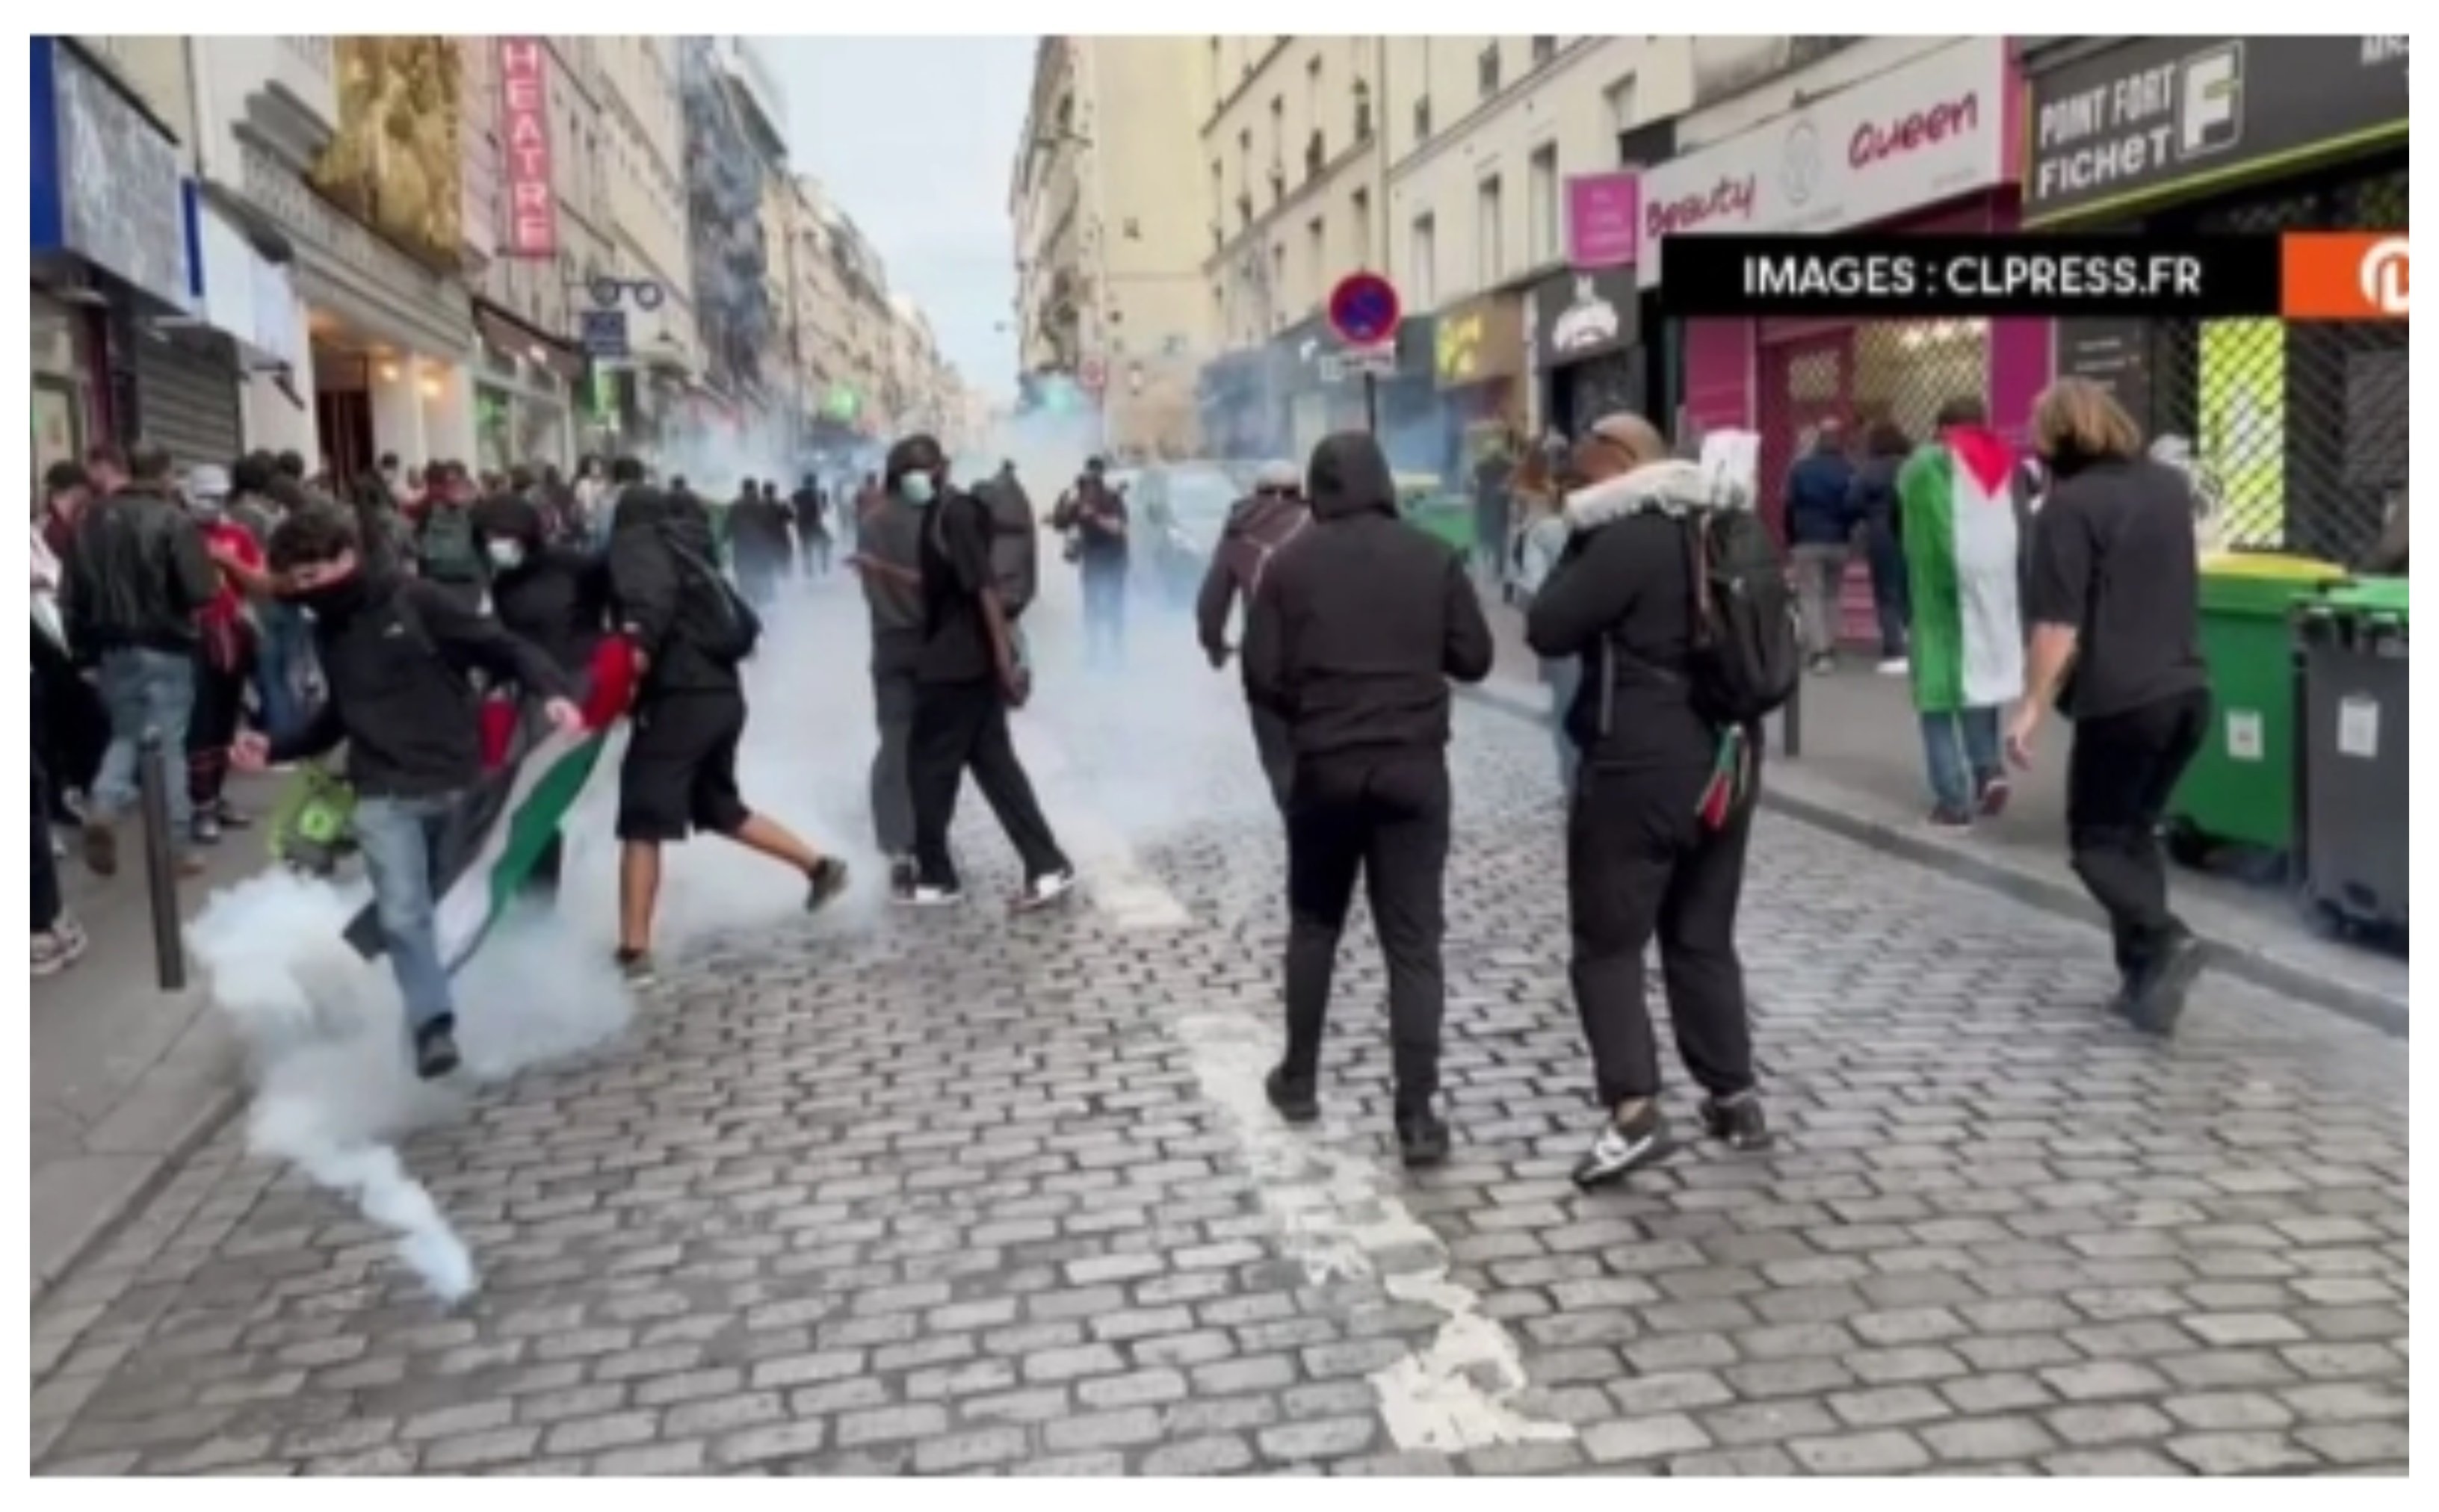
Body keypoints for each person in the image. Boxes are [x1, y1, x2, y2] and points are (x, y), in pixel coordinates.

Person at [235, 506, 583, 1078]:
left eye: (313, 576)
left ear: (347, 557)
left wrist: (553, 693)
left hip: (455, 783)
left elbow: (504, 648)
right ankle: (431, 1029)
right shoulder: (327, 631)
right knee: (403, 914)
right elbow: (338, 716)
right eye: (294, 582)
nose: (305, 591)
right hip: (380, 791)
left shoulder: (417, 601)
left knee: (458, 914)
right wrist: (272, 748)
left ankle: (510, 999)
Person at [1525, 412, 1775, 1188]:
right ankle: (1734, 1097)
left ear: (1619, 462)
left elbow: (1547, 625)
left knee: (1607, 943)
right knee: (1702, 933)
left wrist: (1579, 535)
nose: (1575, 477)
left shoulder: (1624, 539)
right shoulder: (1722, 525)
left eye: (1585, 462)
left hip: (1638, 762)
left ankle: (1634, 1111)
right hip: (1729, 755)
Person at [1241, 431, 1493, 1168]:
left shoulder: (1289, 564)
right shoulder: (1431, 555)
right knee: (1413, 943)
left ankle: (1298, 1079)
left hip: (1325, 768)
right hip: (1413, 769)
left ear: (1317, 489)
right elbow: (1475, 657)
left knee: (1314, 925)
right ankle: (1417, 1114)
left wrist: (1311, 710)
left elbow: (1261, 673)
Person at [2009, 378, 2209, 1035]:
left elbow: (2056, 626)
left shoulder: (2067, 510)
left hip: (2122, 700)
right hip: (2187, 691)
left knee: (2096, 843)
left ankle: (2166, 937)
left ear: (2059, 436)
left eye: (2038, 434)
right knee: (2133, 835)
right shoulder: (2168, 488)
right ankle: (2144, 983)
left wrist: (2032, 706)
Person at [607, 486, 850, 982]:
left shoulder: (638, 547)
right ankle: (819, 867)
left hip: (679, 699)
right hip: (721, 697)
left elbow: (647, 616)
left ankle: (634, 951)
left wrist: (627, 676)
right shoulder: (690, 549)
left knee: (642, 821)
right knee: (718, 807)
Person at [896, 434, 1075, 908]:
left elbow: (985, 589)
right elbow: (946, 583)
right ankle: (1047, 866)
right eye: (904, 473)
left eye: (917, 469)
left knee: (927, 768)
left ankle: (937, 877)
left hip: (957, 666)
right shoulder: (938, 514)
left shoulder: (955, 514)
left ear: (941, 467)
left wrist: (1004, 661)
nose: (910, 480)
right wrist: (881, 570)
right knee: (998, 771)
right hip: (964, 664)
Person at [62, 443, 220, 878]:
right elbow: (200, 590)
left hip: (112, 649)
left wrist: (83, 654)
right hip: (166, 644)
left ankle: (104, 802)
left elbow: (71, 597)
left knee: (127, 733)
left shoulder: (88, 522)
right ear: (165, 474)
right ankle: (177, 845)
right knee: (169, 746)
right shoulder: (172, 519)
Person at [473, 490, 613, 902]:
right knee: (523, 793)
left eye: (503, 535)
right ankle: (533, 889)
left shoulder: (576, 567)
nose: (496, 545)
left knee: (544, 792)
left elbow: (613, 608)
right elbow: (507, 643)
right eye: (488, 537)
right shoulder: (502, 585)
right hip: (533, 694)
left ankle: (544, 893)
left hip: (581, 685)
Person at [1897, 397, 2029, 829]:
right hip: (1989, 595)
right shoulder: (2002, 463)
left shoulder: (1925, 465)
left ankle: (1952, 802)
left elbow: (1905, 502)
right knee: (1980, 686)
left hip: (1936, 597)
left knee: (1935, 701)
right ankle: (1988, 771)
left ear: (1942, 428)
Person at [1195, 459, 1311, 812]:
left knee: (1278, 756)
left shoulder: (1239, 530)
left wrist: (1214, 645)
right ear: (1299, 491)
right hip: (1319, 654)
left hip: (1264, 657)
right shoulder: (1318, 523)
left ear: (1256, 491)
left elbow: (1212, 602)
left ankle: (1294, 816)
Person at [850, 459, 930, 895]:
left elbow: (869, 588)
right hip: (933, 644)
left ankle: (898, 843)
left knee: (896, 743)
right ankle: (927, 837)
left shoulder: (871, 523)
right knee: (934, 746)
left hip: (890, 642)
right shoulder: (932, 519)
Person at [181, 465, 269, 845]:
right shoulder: (177, 533)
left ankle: (214, 797)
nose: (213, 504)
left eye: (220, 496)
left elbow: (261, 581)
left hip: (232, 634)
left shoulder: (237, 534)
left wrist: (227, 560)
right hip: (192, 638)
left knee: (224, 720)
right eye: (205, 496)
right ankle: (200, 803)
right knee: (199, 723)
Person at [1508, 461, 1579, 792]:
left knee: (1565, 713)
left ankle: (1571, 781)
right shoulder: (1620, 529)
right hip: (1610, 643)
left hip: (1563, 640)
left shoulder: (1546, 531)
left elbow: (1530, 588)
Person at [1784, 420, 1857, 672]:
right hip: (1839, 541)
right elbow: (1853, 505)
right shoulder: (1849, 469)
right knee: (1832, 595)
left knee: (1810, 596)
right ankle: (1831, 644)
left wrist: (1791, 538)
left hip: (1807, 540)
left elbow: (1789, 506)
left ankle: (1819, 651)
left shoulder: (1800, 469)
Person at [1847, 421, 1913, 676]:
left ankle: (1894, 650)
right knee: (1911, 586)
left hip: (1881, 533)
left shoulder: (1869, 470)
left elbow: (1852, 503)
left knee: (1887, 592)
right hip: (1914, 530)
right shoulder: (1913, 466)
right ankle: (1910, 636)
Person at [1051, 457, 1131, 668]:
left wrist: (1094, 516)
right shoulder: (1079, 500)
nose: (1090, 485)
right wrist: (1063, 500)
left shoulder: (1112, 498)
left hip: (1114, 559)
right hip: (1093, 560)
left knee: (1114, 607)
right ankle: (1093, 653)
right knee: (1091, 608)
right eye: (1087, 481)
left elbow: (1118, 527)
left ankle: (1117, 653)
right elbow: (1060, 523)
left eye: (1094, 479)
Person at [415, 462, 486, 607]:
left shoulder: (431, 501)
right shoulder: (474, 504)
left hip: (443, 572)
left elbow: (420, 533)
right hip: (460, 573)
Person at [792, 473, 831, 577]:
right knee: (826, 543)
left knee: (807, 546)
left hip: (802, 523)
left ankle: (809, 569)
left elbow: (794, 505)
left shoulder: (797, 494)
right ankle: (823, 565)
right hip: (813, 523)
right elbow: (825, 508)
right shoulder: (819, 493)